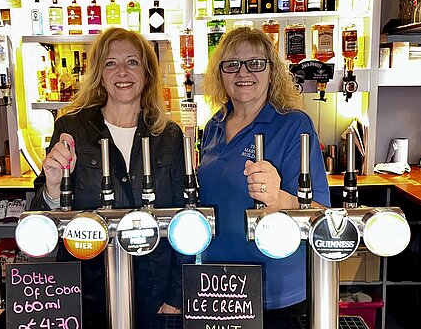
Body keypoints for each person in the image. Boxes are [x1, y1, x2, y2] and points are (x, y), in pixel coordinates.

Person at [29, 27, 189, 328]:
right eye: (110, 63)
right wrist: (51, 187)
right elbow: (40, 219)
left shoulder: (168, 136)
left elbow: (186, 217)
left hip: (156, 294)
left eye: (132, 62)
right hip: (89, 294)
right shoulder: (72, 129)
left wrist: (177, 297)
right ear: (99, 73)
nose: (122, 72)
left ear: (147, 73)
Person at [197, 27, 330, 320]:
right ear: (220, 74)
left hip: (275, 291)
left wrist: (280, 198)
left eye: (255, 63)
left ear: (272, 71)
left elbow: (322, 214)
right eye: (231, 64)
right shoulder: (213, 126)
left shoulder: (294, 125)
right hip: (216, 285)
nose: (243, 72)